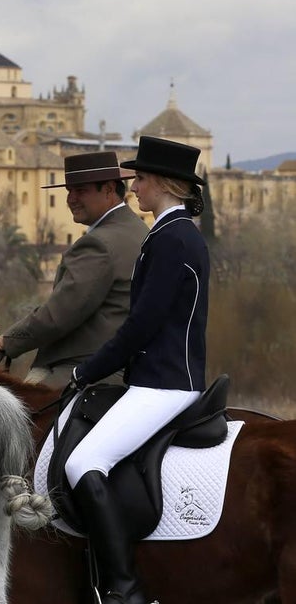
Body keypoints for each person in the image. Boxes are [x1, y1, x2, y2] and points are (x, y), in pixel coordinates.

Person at [63, 136, 209, 604]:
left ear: (163, 183)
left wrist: (87, 371)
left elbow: (142, 325)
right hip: (159, 378)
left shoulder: (172, 238)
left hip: (165, 383)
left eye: (140, 178)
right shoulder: (170, 233)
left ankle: (125, 589)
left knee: (83, 461)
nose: (135, 187)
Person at [0, 151, 148, 387]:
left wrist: (9, 341)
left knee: (21, 418)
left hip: (85, 365)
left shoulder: (99, 243)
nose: (71, 198)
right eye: (69, 191)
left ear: (108, 189)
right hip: (121, 363)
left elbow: (60, 313)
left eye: (81, 191)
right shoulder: (136, 229)